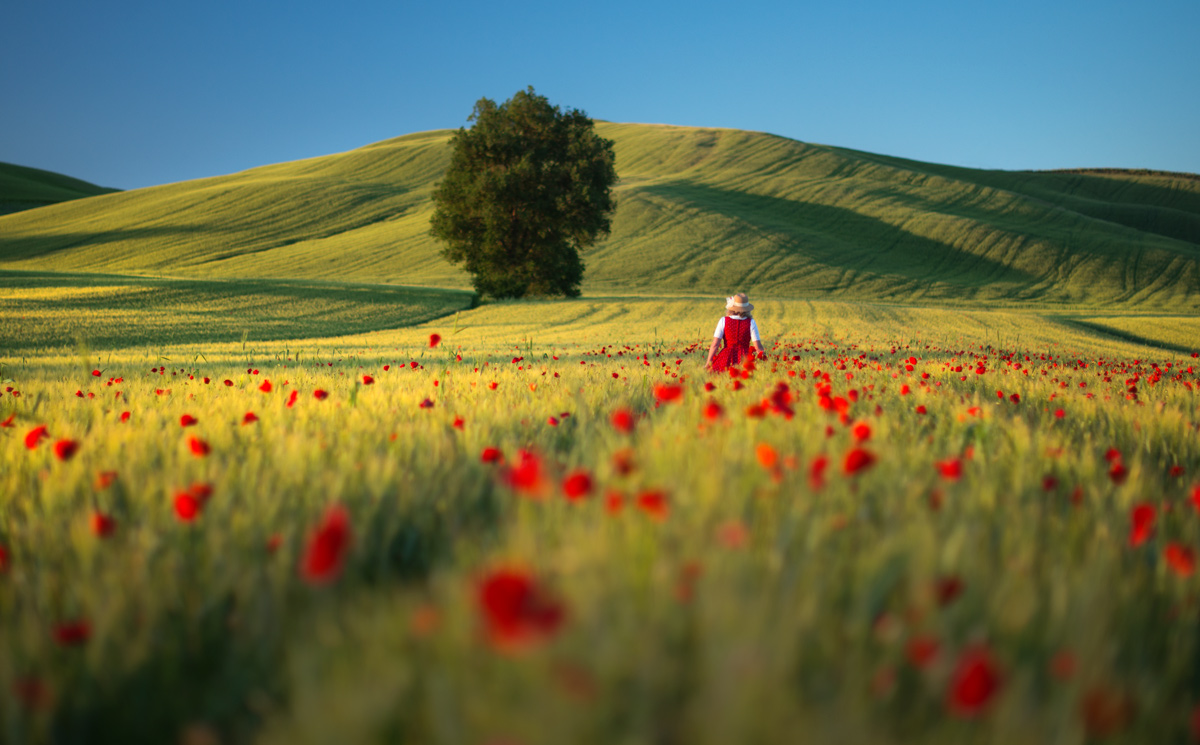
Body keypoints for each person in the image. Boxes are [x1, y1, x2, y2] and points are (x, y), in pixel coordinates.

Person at [706, 293, 766, 372]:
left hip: (725, 358)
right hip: (744, 359)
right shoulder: (751, 322)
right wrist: (766, 363)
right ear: (747, 309)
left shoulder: (723, 321)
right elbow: (758, 347)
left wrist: (708, 363)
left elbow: (715, 345)